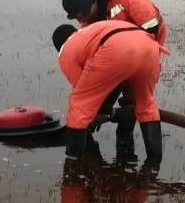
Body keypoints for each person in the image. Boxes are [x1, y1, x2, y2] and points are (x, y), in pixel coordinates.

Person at [52, 20, 166, 166]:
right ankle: (154, 162)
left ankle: (73, 163)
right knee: (146, 103)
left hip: (116, 48)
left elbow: (84, 91)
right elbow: (111, 82)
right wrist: (103, 110)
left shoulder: (66, 50)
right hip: (148, 46)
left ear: (59, 46)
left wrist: (95, 114)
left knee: (79, 104)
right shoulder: (90, 32)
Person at [61, 0, 168, 48]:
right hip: (124, 41)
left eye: (81, 16)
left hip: (151, 31)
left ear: (90, 3)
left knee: (143, 69)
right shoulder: (87, 23)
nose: (81, 21)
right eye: (77, 18)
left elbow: (151, 25)